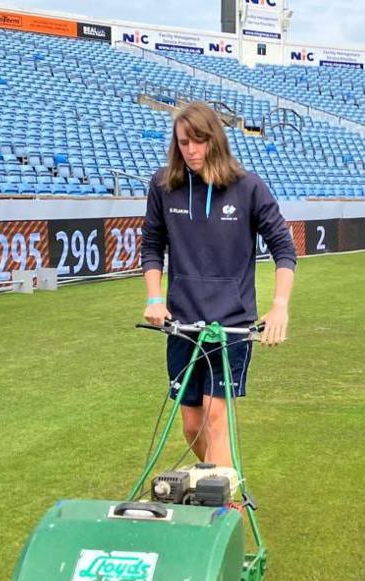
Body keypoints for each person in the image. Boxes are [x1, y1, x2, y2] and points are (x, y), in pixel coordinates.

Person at [140, 102, 297, 467]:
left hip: (231, 323)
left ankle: (223, 508)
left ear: (215, 140)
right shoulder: (164, 187)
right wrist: (154, 298)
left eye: (199, 141)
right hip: (181, 324)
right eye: (183, 143)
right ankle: (218, 481)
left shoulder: (248, 187)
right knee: (192, 425)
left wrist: (279, 307)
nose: (191, 150)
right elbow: (151, 246)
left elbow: (284, 249)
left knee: (214, 416)